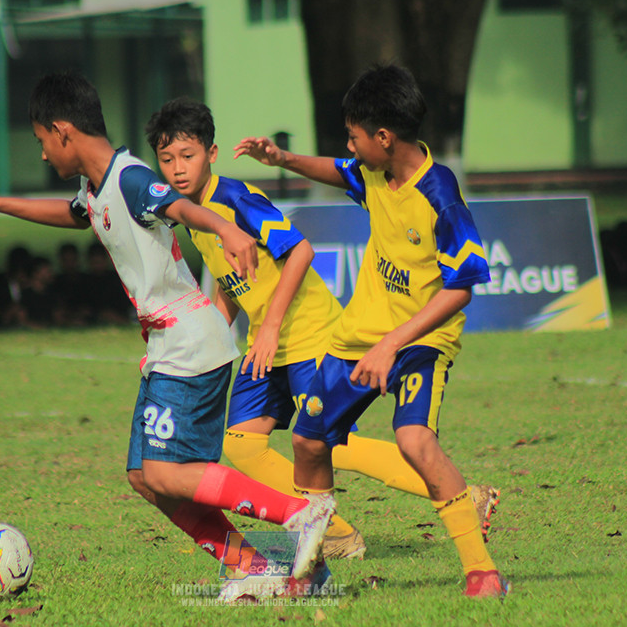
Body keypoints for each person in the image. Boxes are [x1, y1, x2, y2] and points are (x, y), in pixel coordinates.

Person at [0, 71, 337, 601]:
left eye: (41, 141)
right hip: (166, 345)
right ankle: (250, 566)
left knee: (169, 473)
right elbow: (76, 215)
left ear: (62, 132)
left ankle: (301, 513)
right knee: (143, 476)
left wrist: (225, 228)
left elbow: (177, 207)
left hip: (191, 342)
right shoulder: (96, 185)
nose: (42, 155)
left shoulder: (130, 178)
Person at [144, 97, 501, 563]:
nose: (176, 169)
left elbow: (300, 251)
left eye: (186, 157)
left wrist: (270, 327)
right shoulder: (192, 214)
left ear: (211, 154)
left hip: (308, 333)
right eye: (166, 160)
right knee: (242, 443)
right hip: (266, 343)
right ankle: (333, 528)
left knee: (331, 441)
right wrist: (208, 336)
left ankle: (461, 498)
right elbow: (232, 281)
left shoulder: (236, 200)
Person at [234, 64, 510, 598]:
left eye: (355, 136)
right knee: (308, 442)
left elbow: (463, 287)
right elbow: (341, 170)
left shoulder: (440, 194)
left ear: (384, 137)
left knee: (415, 441)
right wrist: (284, 160)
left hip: (421, 342)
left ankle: (482, 571)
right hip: (356, 338)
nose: (350, 146)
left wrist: (392, 344)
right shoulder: (377, 171)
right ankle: (312, 571)